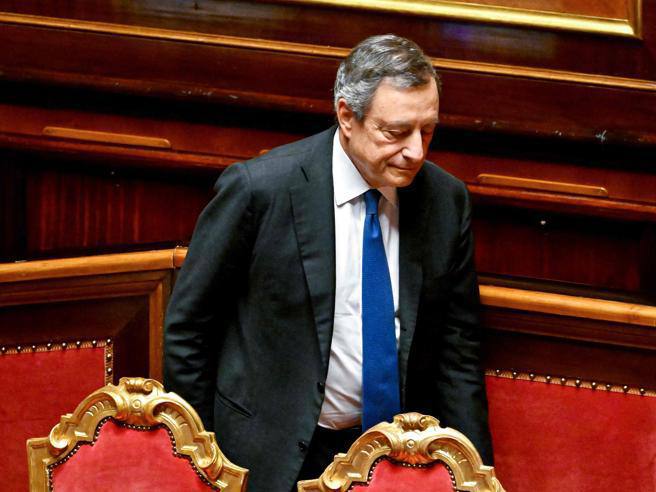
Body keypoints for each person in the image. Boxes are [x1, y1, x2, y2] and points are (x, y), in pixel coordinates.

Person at [164, 34, 493, 492]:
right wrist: (202, 463)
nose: (416, 151)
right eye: (396, 132)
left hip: (396, 460)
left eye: (428, 130)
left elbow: (458, 354)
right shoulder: (260, 190)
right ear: (346, 116)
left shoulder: (446, 200)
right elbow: (189, 329)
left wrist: (475, 478)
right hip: (269, 457)